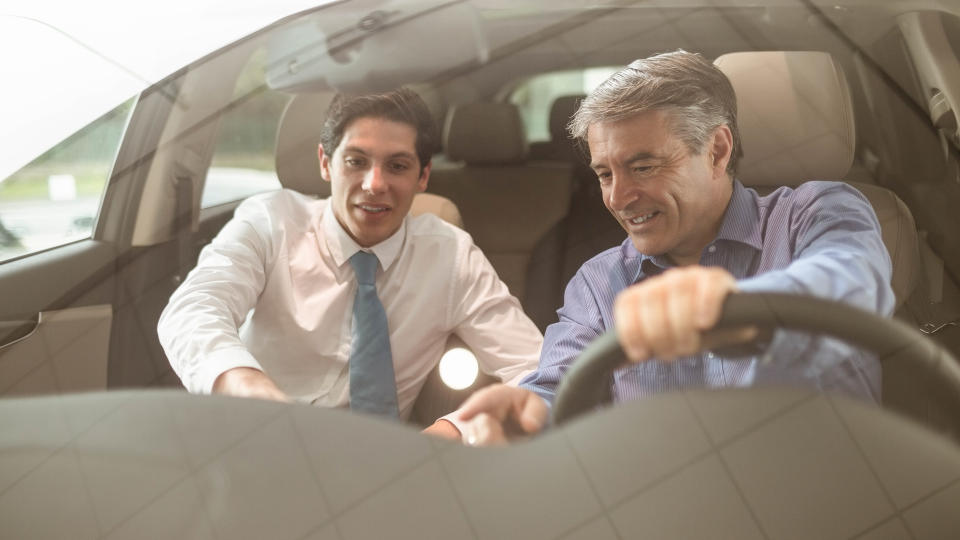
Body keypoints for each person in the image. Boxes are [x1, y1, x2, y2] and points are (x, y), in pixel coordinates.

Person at [450, 50, 894, 445]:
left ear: (717, 151)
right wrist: (525, 414)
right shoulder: (599, 282)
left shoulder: (815, 212)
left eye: (643, 167)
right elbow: (555, 387)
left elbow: (853, 284)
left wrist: (745, 311)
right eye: (605, 175)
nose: (618, 198)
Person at [157, 88, 541, 438]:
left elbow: (539, 367)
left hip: (384, 470)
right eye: (356, 161)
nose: (374, 184)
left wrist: (452, 432)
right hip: (256, 442)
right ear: (326, 163)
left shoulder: (450, 255)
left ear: (423, 176)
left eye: (397, 166)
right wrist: (247, 386)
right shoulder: (270, 222)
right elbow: (192, 310)